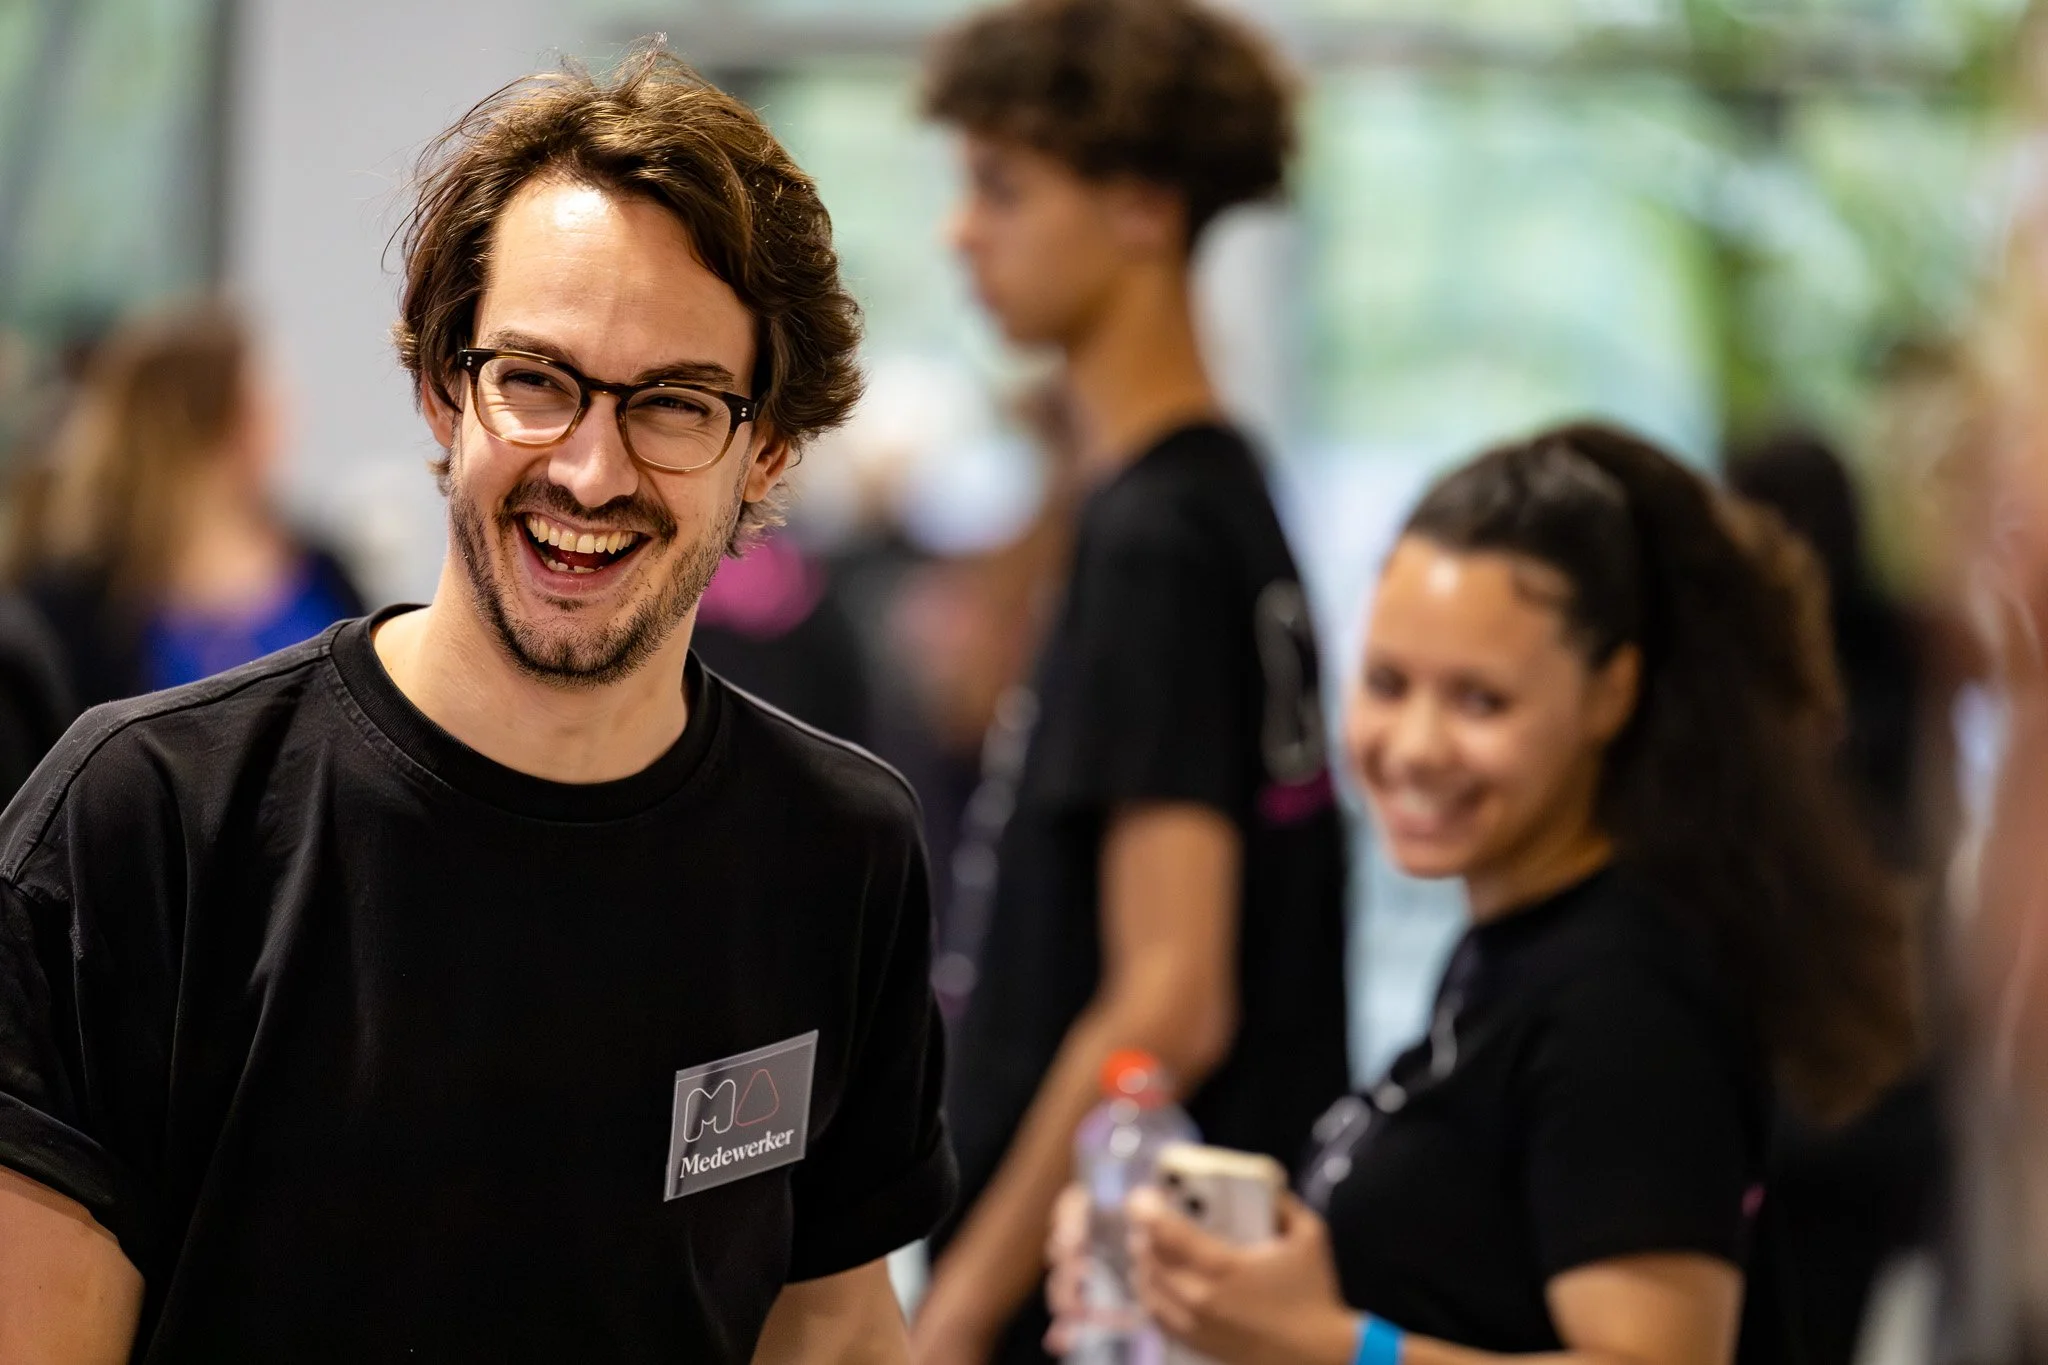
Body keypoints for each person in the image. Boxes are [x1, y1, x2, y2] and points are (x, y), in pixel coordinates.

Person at [0, 45, 954, 1362]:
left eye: (673, 403)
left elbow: (834, 1320)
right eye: (537, 378)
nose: (589, 465)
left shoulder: (839, 849)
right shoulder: (147, 823)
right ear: (446, 391)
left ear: (768, 449)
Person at [1048, 424, 1919, 1364]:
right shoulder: (1516, 945)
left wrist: (1340, 1346)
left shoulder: (1623, 1000)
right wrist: (1205, 1276)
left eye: (1479, 701)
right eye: (1387, 683)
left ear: (1610, 694)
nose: (1415, 746)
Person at [914, 3, 1351, 1361]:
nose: (960, 232)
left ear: (1143, 207)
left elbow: (1172, 993)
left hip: (1114, 1297)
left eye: (1003, 187)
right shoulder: (1215, 496)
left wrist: (952, 1316)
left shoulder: (1158, 535)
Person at [16, 302, 364, 706]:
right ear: (221, 422)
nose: (288, 418)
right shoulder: (76, 606)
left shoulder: (322, 570)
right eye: (264, 400)